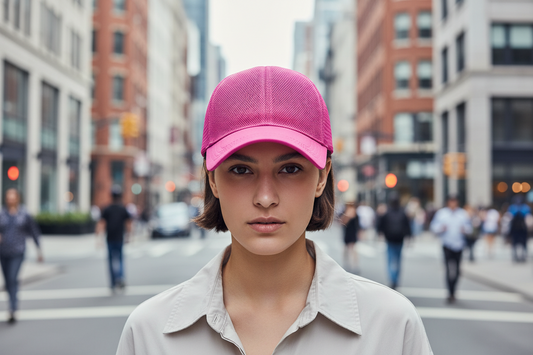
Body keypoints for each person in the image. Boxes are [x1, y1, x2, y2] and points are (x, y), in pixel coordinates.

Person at [116, 66, 433, 354]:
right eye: (241, 170)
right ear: (213, 180)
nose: (265, 198)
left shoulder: (392, 327)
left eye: (290, 169)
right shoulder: (148, 333)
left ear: (322, 177)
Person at [0, 188, 43, 323]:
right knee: (7, 281)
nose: (10, 200)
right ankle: (12, 304)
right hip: (3, 251)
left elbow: (34, 231)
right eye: (8, 197)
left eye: (13, 197)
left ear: (17, 198)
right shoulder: (2, 213)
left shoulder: (24, 214)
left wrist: (39, 250)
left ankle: (13, 308)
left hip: (18, 251)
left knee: (13, 278)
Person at [430, 195, 471, 303]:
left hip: (459, 245)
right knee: (448, 270)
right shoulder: (442, 214)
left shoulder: (463, 214)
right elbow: (433, 227)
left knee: (457, 270)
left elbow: (469, 228)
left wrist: (465, 230)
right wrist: (440, 228)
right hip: (447, 245)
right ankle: (449, 292)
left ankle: (454, 290)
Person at [97, 186, 131, 292]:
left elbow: (101, 223)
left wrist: (98, 238)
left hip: (110, 238)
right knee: (120, 260)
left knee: (111, 261)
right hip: (119, 238)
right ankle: (120, 278)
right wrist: (129, 236)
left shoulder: (107, 208)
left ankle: (112, 283)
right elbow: (129, 223)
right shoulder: (123, 208)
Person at [377, 195, 411, 289]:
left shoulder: (387, 213)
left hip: (390, 239)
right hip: (400, 239)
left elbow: (380, 225)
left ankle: (392, 278)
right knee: (398, 260)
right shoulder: (403, 213)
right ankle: (396, 279)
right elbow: (407, 226)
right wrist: (409, 238)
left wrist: (380, 235)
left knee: (390, 260)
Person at [340, 201, 359, 273]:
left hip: (353, 233)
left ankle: (354, 266)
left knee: (353, 250)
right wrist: (347, 216)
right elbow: (342, 222)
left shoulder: (356, 213)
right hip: (347, 233)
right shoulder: (344, 212)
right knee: (345, 251)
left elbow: (358, 224)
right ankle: (346, 265)